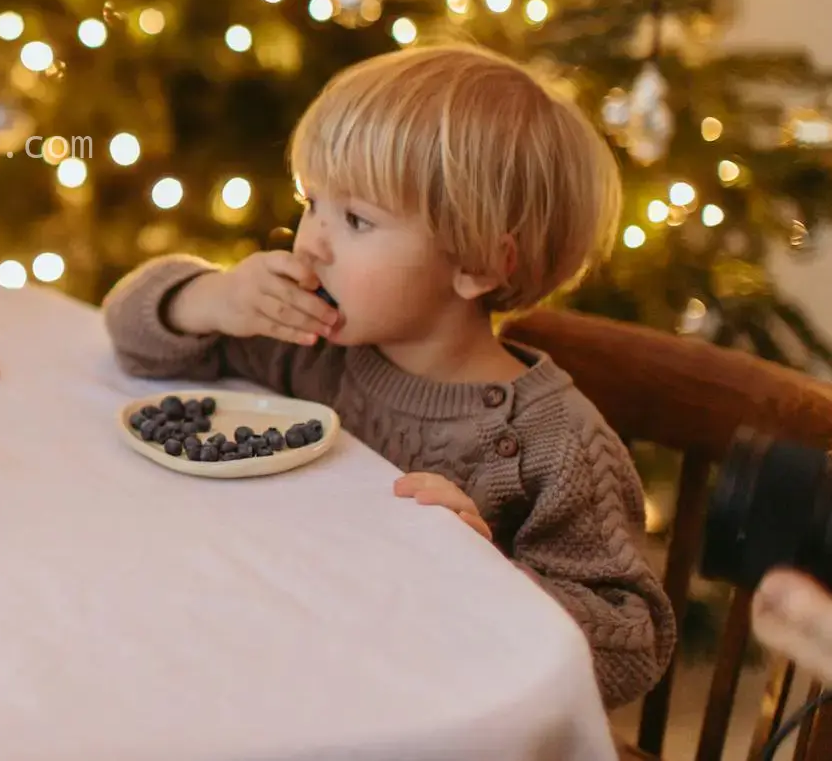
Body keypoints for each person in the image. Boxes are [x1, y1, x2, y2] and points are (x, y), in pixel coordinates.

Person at [100, 43, 675, 709]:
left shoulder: (554, 442)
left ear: (479, 265)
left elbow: (634, 647)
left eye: (355, 219)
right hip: (287, 672)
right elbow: (134, 339)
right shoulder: (311, 346)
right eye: (312, 201)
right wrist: (211, 300)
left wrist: (486, 574)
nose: (309, 240)